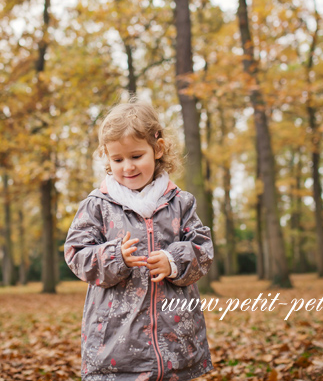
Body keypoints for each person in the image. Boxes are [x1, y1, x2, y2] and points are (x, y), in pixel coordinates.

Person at [65, 100, 214, 381]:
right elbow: (76, 253)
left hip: (176, 341)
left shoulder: (180, 202)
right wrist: (113, 256)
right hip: (116, 345)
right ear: (106, 158)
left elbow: (203, 249)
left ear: (157, 150)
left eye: (136, 156)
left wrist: (174, 261)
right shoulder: (98, 205)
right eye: (117, 159)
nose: (127, 167)